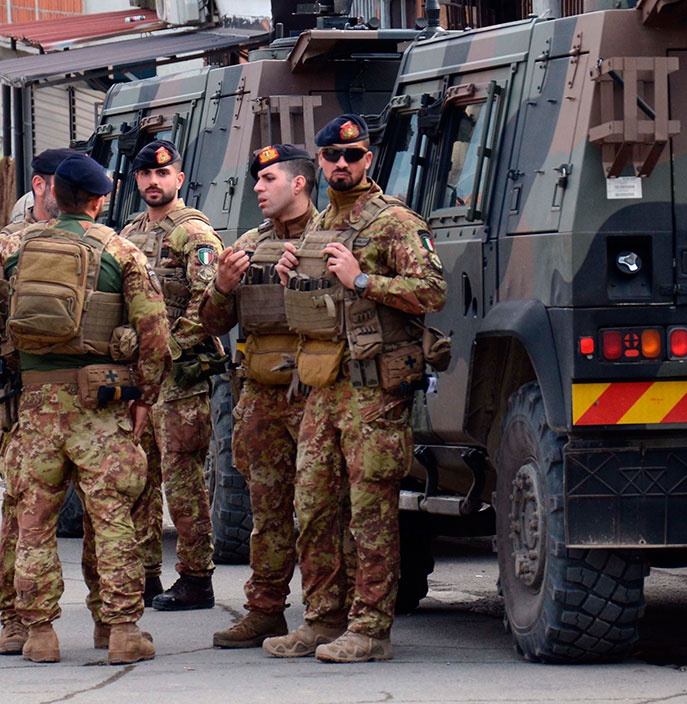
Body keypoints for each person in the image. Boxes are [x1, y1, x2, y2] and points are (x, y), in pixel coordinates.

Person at [0, 154, 171, 664]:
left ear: (53, 195)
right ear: (100, 201)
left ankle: (37, 635)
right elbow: (156, 337)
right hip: (101, 408)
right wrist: (144, 396)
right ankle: (120, 630)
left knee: (32, 521)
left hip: (33, 409)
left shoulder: (8, 249)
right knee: (112, 518)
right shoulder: (122, 252)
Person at [262, 114, 446, 662]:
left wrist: (362, 279)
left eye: (354, 155)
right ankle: (321, 619)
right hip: (325, 384)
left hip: (375, 391)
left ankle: (370, 629)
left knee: (370, 511)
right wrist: (296, 279)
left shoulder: (394, 222)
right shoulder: (319, 223)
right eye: (332, 157)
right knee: (314, 506)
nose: (343, 164)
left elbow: (432, 292)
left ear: (369, 160)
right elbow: (318, 309)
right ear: (318, 163)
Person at [199, 144, 317, 647]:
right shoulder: (247, 245)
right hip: (261, 398)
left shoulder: (330, 238)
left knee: (321, 511)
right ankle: (265, 610)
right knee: (267, 510)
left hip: (316, 392)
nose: (258, 188)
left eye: (269, 179)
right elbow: (209, 323)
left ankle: (326, 612)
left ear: (299, 183)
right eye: (257, 179)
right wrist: (223, 288)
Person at [0, 148, 73, 655]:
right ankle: (16, 619)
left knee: (103, 513)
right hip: (24, 399)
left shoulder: (97, 238)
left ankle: (109, 622)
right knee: (23, 513)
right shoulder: (3, 247)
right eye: (57, 182)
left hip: (90, 398)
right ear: (40, 185)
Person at [119, 140, 225, 609]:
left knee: (183, 481)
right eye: (145, 174)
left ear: (179, 179)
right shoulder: (128, 233)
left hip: (180, 379)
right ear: (136, 180)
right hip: (140, 380)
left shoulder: (194, 233)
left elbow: (212, 304)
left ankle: (196, 578)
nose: (153, 182)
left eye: (163, 174)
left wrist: (168, 350)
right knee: (138, 478)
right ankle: (145, 574)